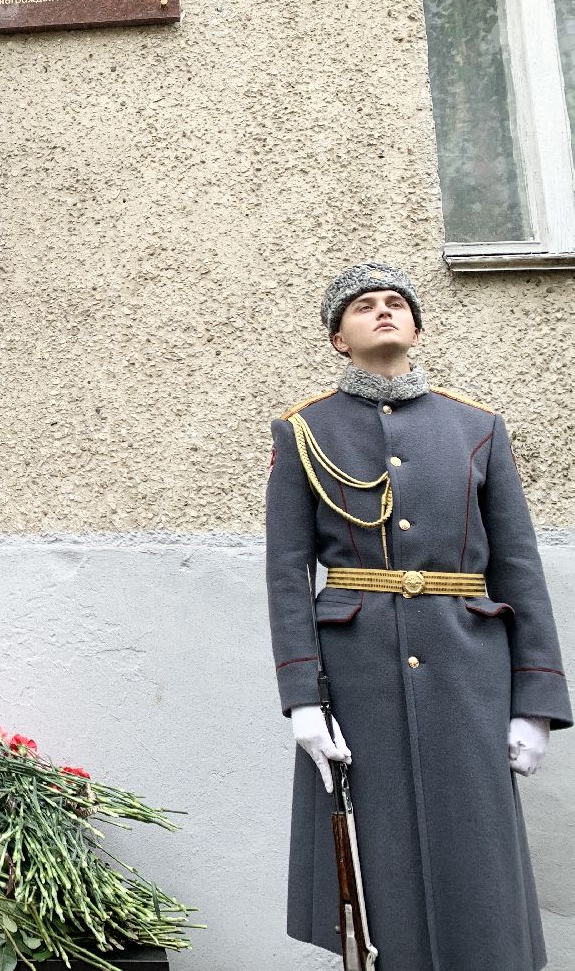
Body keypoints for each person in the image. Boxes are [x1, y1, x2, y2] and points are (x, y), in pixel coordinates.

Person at [266, 263, 571, 971]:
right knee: (377, 865)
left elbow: (519, 567)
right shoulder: (303, 431)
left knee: (481, 862)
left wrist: (536, 705)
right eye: (363, 306)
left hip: (469, 667)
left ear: (417, 326)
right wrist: (302, 701)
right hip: (358, 672)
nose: (382, 312)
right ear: (337, 338)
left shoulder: (477, 427)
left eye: (396, 303)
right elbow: (287, 573)